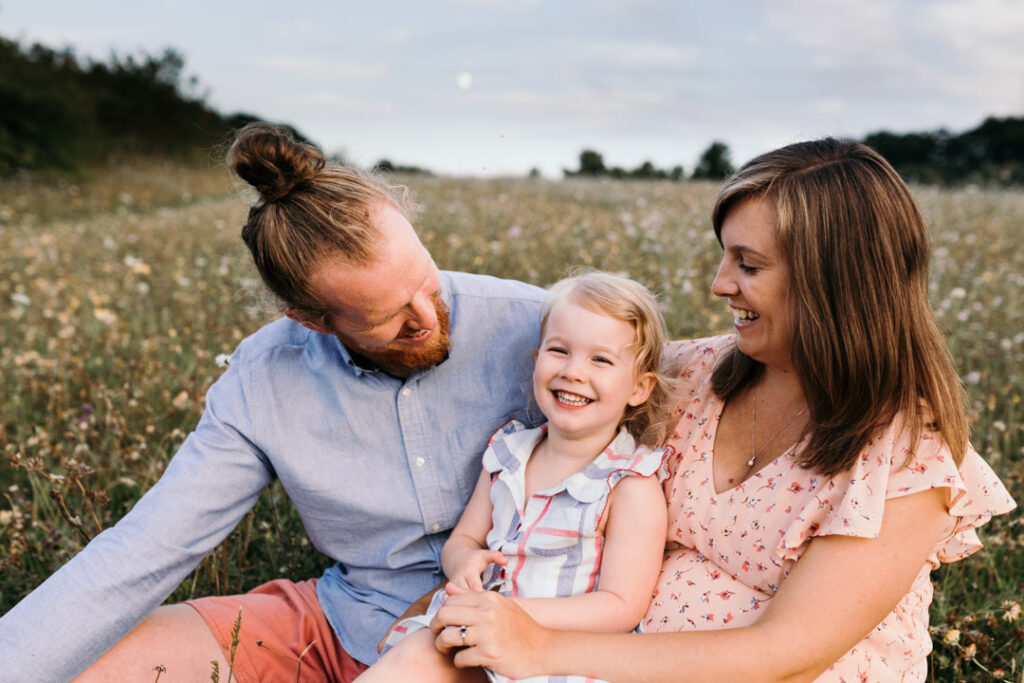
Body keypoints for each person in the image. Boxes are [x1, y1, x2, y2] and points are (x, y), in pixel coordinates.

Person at [426, 138, 1017, 682]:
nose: (718, 284)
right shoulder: (693, 374)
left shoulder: (909, 452)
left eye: (748, 265)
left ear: (834, 283)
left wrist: (537, 646)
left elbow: (784, 653)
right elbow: (568, 383)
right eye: (725, 257)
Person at [0, 124, 547, 683]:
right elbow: (149, 547)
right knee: (95, 668)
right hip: (344, 623)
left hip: (514, 631)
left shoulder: (542, 330)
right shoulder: (264, 378)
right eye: (389, 318)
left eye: (426, 282)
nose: (428, 318)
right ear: (311, 319)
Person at [360, 272, 675, 683]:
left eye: (600, 359)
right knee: (423, 654)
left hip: (553, 654)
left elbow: (621, 605)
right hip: (474, 634)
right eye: (559, 350)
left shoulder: (629, 484)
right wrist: (464, 562)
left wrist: (512, 614)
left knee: (425, 657)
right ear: (537, 358)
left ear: (639, 387)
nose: (574, 372)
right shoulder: (508, 454)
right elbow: (464, 540)